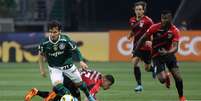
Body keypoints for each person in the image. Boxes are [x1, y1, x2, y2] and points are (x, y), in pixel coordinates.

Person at [134, 10, 187, 101]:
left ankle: (181, 97)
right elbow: (143, 38)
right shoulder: (154, 27)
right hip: (156, 56)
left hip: (168, 55)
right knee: (162, 80)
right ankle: (166, 77)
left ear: (170, 19)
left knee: (178, 76)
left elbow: (175, 48)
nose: (163, 20)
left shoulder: (174, 31)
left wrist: (167, 52)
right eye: (162, 18)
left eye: (166, 18)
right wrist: (135, 50)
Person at [37, 21, 95, 101]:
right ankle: (73, 99)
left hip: (68, 66)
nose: (52, 34)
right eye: (51, 32)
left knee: (81, 85)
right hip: (55, 68)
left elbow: (76, 50)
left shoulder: (65, 39)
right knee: (58, 85)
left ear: (59, 32)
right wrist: (42, 70)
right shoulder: (45, 43)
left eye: (55, 32)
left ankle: (89, 97)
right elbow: (40, 55)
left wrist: (81, 61)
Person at [24, 69, 115, 101]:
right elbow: (87, 98)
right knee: (70, 99)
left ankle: (36, 92)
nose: (108, 87)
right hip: (70, 81)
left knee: (66, 97)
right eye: (109, 84)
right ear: (105, 80)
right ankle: (51, 97)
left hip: (66, 76)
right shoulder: (96, 84)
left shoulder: (97, 74)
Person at [127, 1, 154, 93]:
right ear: (134, 10)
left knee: (147, 68)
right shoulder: (132, 20)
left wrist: (151, 41)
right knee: (134, 62)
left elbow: (153, 32)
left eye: (140, 9)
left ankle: (154, 69)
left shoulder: (148, 21)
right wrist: (130, 35)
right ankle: (139, 85)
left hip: (146, 48)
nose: (138, 11)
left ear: (143, 11)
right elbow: (133, 30)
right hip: (137, 46)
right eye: (136, 9)